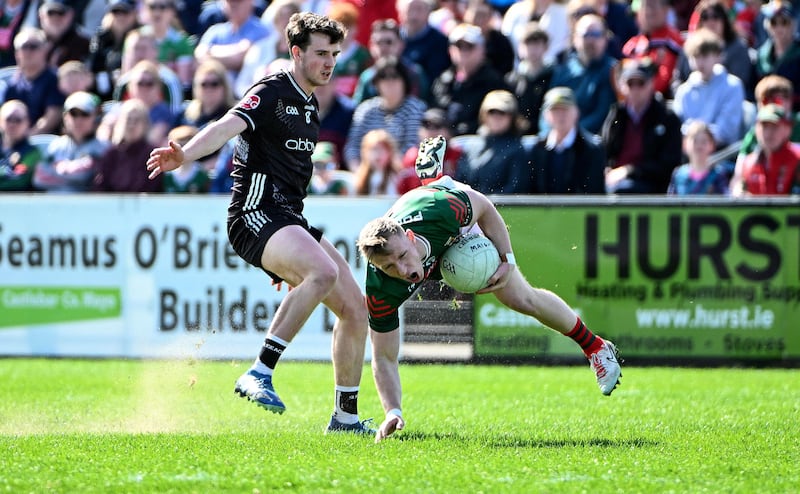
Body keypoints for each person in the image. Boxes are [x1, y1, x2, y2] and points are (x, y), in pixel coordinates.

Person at [146, 12, 373, 434]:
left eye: (335, 54)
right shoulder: (272, 90)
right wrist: (185, 155)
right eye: (321, 53)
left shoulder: (310, 104)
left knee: (356, 310)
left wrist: (284, 255)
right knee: (322, 272)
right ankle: (259, 372)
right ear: (296, 52)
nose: (330, 62)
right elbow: (225, 126)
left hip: (286, 220)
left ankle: (345, 417)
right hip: (255, 214)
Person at [356, 135, 622, 442]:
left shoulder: (440, 213)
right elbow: (383, 357)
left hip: (454, 214)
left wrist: (507, 260)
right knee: (430, 219)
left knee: (522, 299)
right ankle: (431, 175)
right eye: (390, 267)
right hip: (431, 219)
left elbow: (483, 206)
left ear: (411, 239)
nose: (403, 271)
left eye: (403, 257)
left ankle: (596, 347)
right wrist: (393, 411)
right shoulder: (380, 287)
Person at [602, 58, 682, 194]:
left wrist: (629, 171)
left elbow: (668, 164)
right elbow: (604, 149)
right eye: (630, 83)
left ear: (651, 83)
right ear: (622, 86)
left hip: (649, 185)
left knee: (624, 189)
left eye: (641, 83)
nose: (635, 89)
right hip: (613, 179)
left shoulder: (667, 117)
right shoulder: (616, 114)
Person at [343, 56, 426, 170]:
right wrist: (361, 174)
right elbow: (352, 147)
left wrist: (387, 176)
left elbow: (411, 147)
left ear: (404, 80)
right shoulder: (365, 109)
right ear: (376, 83)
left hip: (400, 175)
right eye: (383, 77)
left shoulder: (415, 108)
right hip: (366, 174)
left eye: (394, 76)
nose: (389, 82)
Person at [429, 23, 508, 136]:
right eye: (459, 46)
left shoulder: (494, 83)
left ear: (483, 50)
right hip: (444, 144)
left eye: (469, 46)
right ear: (450, 50)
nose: (463, 51)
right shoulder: (443, 81)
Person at [522, 86, 606, 193]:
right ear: (545, 115)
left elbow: (594, 190)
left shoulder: (592, 149)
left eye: (565, 109)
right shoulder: (534, 149)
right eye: (555, 110)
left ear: (576, 112)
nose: (561, 115)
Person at [672, 28, 745, 148]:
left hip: (722, 157)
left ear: (718, 56)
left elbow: (726, 131)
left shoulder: (733, 86)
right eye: (695, 56)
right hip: (689, 155)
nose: (700, 62)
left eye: (705, 56)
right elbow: (677, 126)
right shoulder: (684, 90)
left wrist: (700, 139)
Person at [548, 12, 616, 135]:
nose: (591, 40)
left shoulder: (612, 70)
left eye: (596, 34)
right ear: (574, 39)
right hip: (559, 136)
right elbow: (548, 106)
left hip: (592, 141)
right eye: (586, 35)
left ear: (605, 38)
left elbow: (602, 114)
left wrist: (572, 133)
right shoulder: (564, 70)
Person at [454, 89, 529, 194]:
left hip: (501, 208)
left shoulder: (517, 150)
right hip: (470, 206)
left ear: (512, 117)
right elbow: (459, 183)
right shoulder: (471, 146)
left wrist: (485, 205)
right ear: (483, 115)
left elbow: (515, 189)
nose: (497, 117)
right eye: (492, 112)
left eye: (503, 112)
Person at [33, 91, 107, 193]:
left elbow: (85, 178)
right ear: (65, 117)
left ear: (96, 118)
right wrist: (73, 174)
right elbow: (39, 178)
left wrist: (59, 170)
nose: (78, 120)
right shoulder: (55, 146)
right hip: (53, 205)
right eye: (73, 114)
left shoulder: (104, 149)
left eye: (84, 114)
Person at [729, 103, 800, 196]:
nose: (769, 133)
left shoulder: (797, 160)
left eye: (775, 126)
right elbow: (737, 191)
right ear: (756, 130)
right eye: (764, 126)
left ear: (787, 130)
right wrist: (739, 193)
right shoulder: (748, 163)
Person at [5, 27, 65, 135]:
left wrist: (28, 137)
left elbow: (53, 115)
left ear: (44, 50)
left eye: (33, 46)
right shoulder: (13, 84)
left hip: (42, 141)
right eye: (24, 47)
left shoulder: (54, 79)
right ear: (16, 53)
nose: (28, 51)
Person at [94, 98, 162, 193]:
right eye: (128, 119)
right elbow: (101, 186)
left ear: (145, 124)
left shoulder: (153, 154)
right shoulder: (111, 154)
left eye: (136, 120)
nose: (131, 125)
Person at [621, 0, 683, 98]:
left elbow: (662, 82)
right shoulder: (632, 44)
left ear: (666, 9)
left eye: (653, 6)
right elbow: (620, 77)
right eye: (645, 5)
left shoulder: (673, 42)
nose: (648, 11)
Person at [505, 21, 553, 135]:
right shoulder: (512, 79)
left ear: (546, 47)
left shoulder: (554, 76)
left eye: (537, 44)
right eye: (528, 44)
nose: (532, 49)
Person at [667, 121, 730, 195]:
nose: (699, 145)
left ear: (712, 145)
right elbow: (671, 202)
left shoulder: (718, 174)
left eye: (704, 141)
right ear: (685, 144)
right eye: (695, 141)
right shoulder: (678, 174)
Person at [0, 99, 41, 191]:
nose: (13, 124)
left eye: (18, 120)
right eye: (9, 119)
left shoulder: (32, 152)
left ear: (27, 123)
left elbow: (18, 180)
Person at [38, 0, 91, 68]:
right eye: (50, 13)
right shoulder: (31, 44)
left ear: (71, 15)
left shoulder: (85, 45)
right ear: (41, 15)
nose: (56, 18)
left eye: (61, 13)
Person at [352, 128, 402, 196]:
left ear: (390, 152)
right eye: (374, 150)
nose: (378, 154)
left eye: (382, 150)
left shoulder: (396, 178)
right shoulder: (359, 179)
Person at [161, 125, 211, 193]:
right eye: (180, 145)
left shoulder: (202, 174)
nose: (183, 150)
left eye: (187, 145)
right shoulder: (166, 176)